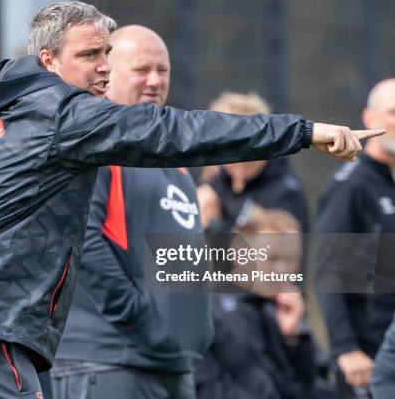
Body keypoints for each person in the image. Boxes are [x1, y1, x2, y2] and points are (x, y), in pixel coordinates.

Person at [0, 1, 380, 399]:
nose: (108, 69)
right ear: (49, 62)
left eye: (159, 67)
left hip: (128, 355)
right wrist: (301, 132)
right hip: (75, 355)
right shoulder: (78, 121)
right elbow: (158, 164)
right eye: (96, 56)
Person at [51, 24, 209, 399]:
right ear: (108, 72)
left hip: (171, 365)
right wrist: (139, 316)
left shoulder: (175, 163)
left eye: (163, 70)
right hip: (106, 363)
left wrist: (195, 328)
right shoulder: (96, 148)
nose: (154, 80)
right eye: (142, 69)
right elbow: (81, 239)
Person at [195, 208, 336, 399]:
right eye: (273, 259)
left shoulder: (276, 308)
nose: (283, 270)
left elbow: (308, 383)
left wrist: (294, 340)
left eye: (291, 260)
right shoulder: (220, 311)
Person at [315, 78, 395, 398]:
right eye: (393, 112)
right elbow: (328, 268)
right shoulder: (351, 185)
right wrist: (345, 347)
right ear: (368, 117)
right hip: (368, 356)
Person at [197, 92, 310, 234]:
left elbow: (269, 252)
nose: (242, 156)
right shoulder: (217, 183)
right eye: (232, 145)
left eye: (251, 143)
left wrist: (213, 224)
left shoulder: (285, 191)